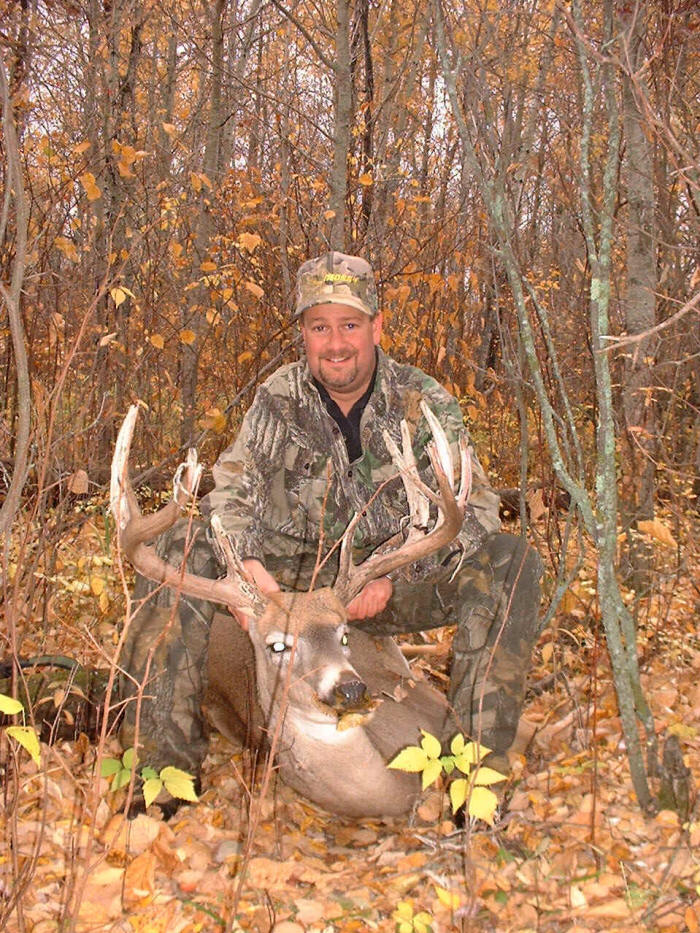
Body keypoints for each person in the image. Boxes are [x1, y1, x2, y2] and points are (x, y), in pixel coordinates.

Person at [119, 251, 543, 797]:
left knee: (510, 562)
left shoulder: (423, 401)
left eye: (349, 325)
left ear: (375, 326)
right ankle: (162, 770)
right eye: (321, 327)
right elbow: (230, 489)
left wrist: (394, 578)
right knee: (175, 547)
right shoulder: (280, 396)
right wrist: (249, 570)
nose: (336, 343)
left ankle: (473, 776)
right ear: (304, 333)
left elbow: (476, 512)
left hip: (387, 591)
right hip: (289, 589)